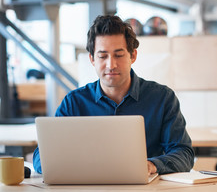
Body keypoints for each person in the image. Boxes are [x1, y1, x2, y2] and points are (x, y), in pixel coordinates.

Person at [33, 15, 194, 175]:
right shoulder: (74, 103)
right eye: (103, 56)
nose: (111, 65)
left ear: (133, 56)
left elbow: (184, 154)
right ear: (92, 59)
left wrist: (152, 165)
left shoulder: (162, 98)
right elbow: (41, 157)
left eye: (119, 55)